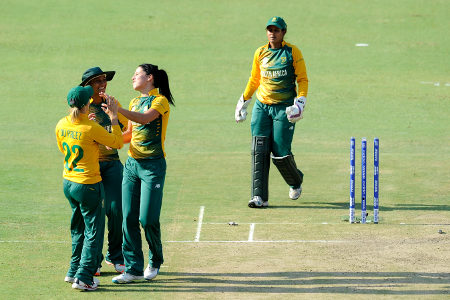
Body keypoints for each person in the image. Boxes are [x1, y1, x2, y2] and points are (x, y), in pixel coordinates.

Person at [235, 16, 309, 208]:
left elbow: (302, 79)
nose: (272, 33)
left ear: (283, 32)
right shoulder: (260, 52)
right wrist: (244, 100)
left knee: (280, 151)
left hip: (284, 108)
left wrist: (300, 101)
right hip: (262, 106)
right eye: (270, 30)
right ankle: (259, 197)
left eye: (276, 30)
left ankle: (295, 181)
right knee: (259, 148)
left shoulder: (292, 52)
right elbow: (254, 79)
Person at [111, 63, 174, 284]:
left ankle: (155, 259)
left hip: (153, 167)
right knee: (127, 217)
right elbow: (129, 134)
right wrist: (110, 130)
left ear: (150, 78)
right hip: (132, 165)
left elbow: (145, 119)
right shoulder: (134, 102)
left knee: (147, 219)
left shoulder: (160, 101)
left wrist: (117, 109)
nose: (132, 78)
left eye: (137, 74)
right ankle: (133, 269)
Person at [56, 85, 123, 291]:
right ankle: (84, 277)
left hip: (69, 182)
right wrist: (113, 118)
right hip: (88, 184)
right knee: (94, 231)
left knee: (78, 228)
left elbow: (64, 147)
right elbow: (118, 142)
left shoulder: (61, 124)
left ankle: (73, 270)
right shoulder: (91, 127)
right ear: (87, 105)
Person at [80, 67, 129, 275]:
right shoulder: (82, 109)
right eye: (97, 81)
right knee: (95, 214)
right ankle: (94, 259)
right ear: (87, 87)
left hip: (112, 165)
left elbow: (128, 132)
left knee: (116, 210)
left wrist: (115, 140)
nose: (102, 84)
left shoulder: (112, 105)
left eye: (103, 80)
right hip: (91, 167)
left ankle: (115, 255)